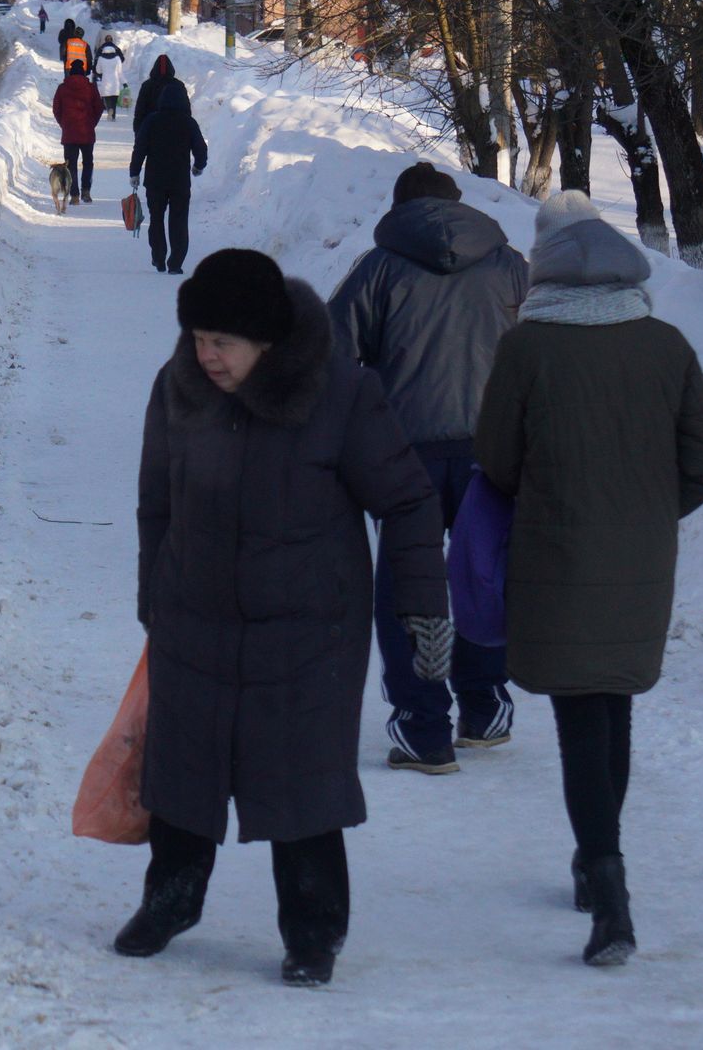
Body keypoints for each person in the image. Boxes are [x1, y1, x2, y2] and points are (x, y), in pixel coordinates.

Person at [123, 249, 450, 986]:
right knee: (182, 774)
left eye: (222, 343)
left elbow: (405, 501)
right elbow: (156, 502)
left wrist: (422, 608)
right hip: (194, 621)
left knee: (300, 784)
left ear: (266, 340)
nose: (205, 356)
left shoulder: (341, 395)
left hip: (310, 633)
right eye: (197, 337)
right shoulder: (178, 387)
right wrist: (155, 597)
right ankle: (171, 901)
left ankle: (312, 933)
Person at [473, 191, 703, 966]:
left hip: (554, 549)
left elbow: (494, 458)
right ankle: (596, 866)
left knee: (580, 715)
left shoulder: (527, 348)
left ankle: (607, 889)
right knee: (609, 702)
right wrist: (653, 509)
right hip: (640, 554)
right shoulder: (664, 345)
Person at [327, 161, 529, 775]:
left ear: (399, 209)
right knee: (481, 574)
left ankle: (423, 728)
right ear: (457, 204)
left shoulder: (378, 269)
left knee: (405, 586)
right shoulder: (511, 266)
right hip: (490, 450)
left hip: (404, 453)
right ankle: (484, 703)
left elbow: (333, 358)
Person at [130, 82, 206, 274]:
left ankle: (158, 257)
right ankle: (176, 263)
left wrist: (135, 172)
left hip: (155, 180)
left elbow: (140, 147)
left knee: (156, 218)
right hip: (180, 180)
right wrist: (198, 166)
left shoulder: (151, 121)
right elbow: (200, 148)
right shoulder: (188, 122)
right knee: (179, 220)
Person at [52, 59, 104, 205]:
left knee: (70, 165)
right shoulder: (91, 88)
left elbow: (56, 109)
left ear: (70, 72)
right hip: (86, 132)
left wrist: (64, 124)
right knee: (88, 162)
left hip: (69, 133)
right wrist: (91, 123)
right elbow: (99, 108)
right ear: (83, 72)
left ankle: (74, 195)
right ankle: (86, 191)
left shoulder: (62, 88)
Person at [133, 54, 189, 134]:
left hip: (150, 130)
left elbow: (140, 110)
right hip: (175, 130)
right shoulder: (178, 85)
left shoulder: (147, 85)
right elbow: (186, 110)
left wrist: (138, 132)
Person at [94, 36, 126, 121]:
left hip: (105, 81)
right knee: (114, 101)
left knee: (107, 99)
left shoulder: (101, 58)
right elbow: (119, 72)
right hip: (115, 83)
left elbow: (98, 70)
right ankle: (113, 114)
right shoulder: (117, 58)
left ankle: (109, 110)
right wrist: (124, 83)